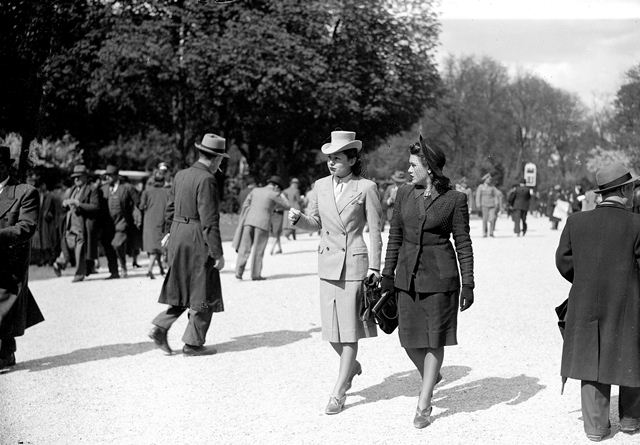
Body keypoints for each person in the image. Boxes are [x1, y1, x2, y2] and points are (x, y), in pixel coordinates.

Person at [381, 136, 474, 429]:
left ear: (429, 168)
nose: (408, 170)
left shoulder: (455, 199)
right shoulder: (403, 194)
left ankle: (424, 401)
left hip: (441, 277)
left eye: (413, 165)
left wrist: (469, 283)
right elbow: (394, 236)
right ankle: (431, 374)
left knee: (434, 338)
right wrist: (387, 275)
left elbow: (463, 242)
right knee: (407, 337)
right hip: (406, 276)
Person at [289, 130, 382, 415]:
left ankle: (338, 392)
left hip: (355, 266)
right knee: (331, 333)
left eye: (338, 158)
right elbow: (315, 222)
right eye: (330, 158)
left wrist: (376, 267)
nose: (332, 163)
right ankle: (351, 367)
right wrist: (298, 219)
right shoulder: (319, 186)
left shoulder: (366, 187)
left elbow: (376, 231)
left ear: (352, 159)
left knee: (350, 331)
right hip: (328, 264)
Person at [555, 162, 640, 441]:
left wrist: (587, 282)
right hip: (628, 300)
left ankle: (595, 427)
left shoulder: (576, 221)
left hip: (585, 300)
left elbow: (564, 262)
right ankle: (630, 420)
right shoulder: (637, 224)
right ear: (626, 190)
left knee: (590, 356)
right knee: (631, 352)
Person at [148, 133, 227, 356]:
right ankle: (193, 343)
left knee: (182, 287)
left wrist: (168, 233)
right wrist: (217, 253)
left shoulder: (181, 175)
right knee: (204, 291)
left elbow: (170, 209)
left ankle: (161, 325)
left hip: (178, 235)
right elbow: (209, 220)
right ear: (216, 158)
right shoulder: (207, 180)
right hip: (197, 238)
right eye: (221, 160)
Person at [0, 146, 44, 369]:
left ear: (6, 166)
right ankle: (6, 353)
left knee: (3, 309)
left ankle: (5, 353)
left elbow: (26, 227)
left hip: (9, 264)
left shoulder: (25, 192)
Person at [233, 176, 290, 280]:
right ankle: (255, 275)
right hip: (262, 223)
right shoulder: (274, 194)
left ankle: (238, 272)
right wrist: (281, 195)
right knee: (258, 250)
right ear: (277, 186)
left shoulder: (255, 190)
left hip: (249, 221)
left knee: (244, 248)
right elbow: (287, 205)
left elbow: (246, 204)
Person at [53, 165, 100, 282]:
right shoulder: (73, 190)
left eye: (78, 177)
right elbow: (66, 206)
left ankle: (79, 273)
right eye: (74, 177)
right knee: (67, 246)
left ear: (85, 177)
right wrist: (65, 204)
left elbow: (95, 207)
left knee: (80, 248)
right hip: (70, 225)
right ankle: (60, 263)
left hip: (82, 225)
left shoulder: (92, 189)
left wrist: (79, 204)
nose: (76, 179)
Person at [102, 165, 139, 277]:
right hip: (108, 223)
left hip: (122, 222)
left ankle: (123, 266)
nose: (108, 177)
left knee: (117, 244)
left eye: (110, 175)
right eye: (107, 175)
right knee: (109, 247)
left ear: (116, 176)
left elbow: (138, 202)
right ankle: (114, 272)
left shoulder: (127, 188)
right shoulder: (103, 188)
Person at [139, 171, 170, 279]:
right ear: (163, 181)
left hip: (149, 222)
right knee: (157, 248)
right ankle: (150, 271)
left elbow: (142, 206)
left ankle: (158, 270)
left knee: (154, 248)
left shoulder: (147, 192)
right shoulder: (167, 192)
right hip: (162, 221)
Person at [26, 172, 59, 266]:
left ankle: (51, 259)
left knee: (49, 241)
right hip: (41, 222)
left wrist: (51, 216)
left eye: (41, 186)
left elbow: (56, 210)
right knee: (42, 242)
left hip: (49, 222)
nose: (40, 188)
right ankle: (44, 259)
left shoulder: (51, 196)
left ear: (45, 185)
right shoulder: (39, 195)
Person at [475, 173, 499, 237]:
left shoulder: (492, 187)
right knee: (485, 219)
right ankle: (485, 232)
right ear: (485, 179)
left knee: (492, 219)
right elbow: (478, 196)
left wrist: (496, 203)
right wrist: (478, 204)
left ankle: (491, 232)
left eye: (490, 179)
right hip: (484, 205)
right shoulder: (480, 187)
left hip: (492, 205)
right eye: (488, 179)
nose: (490, 180)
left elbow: (495, 196)